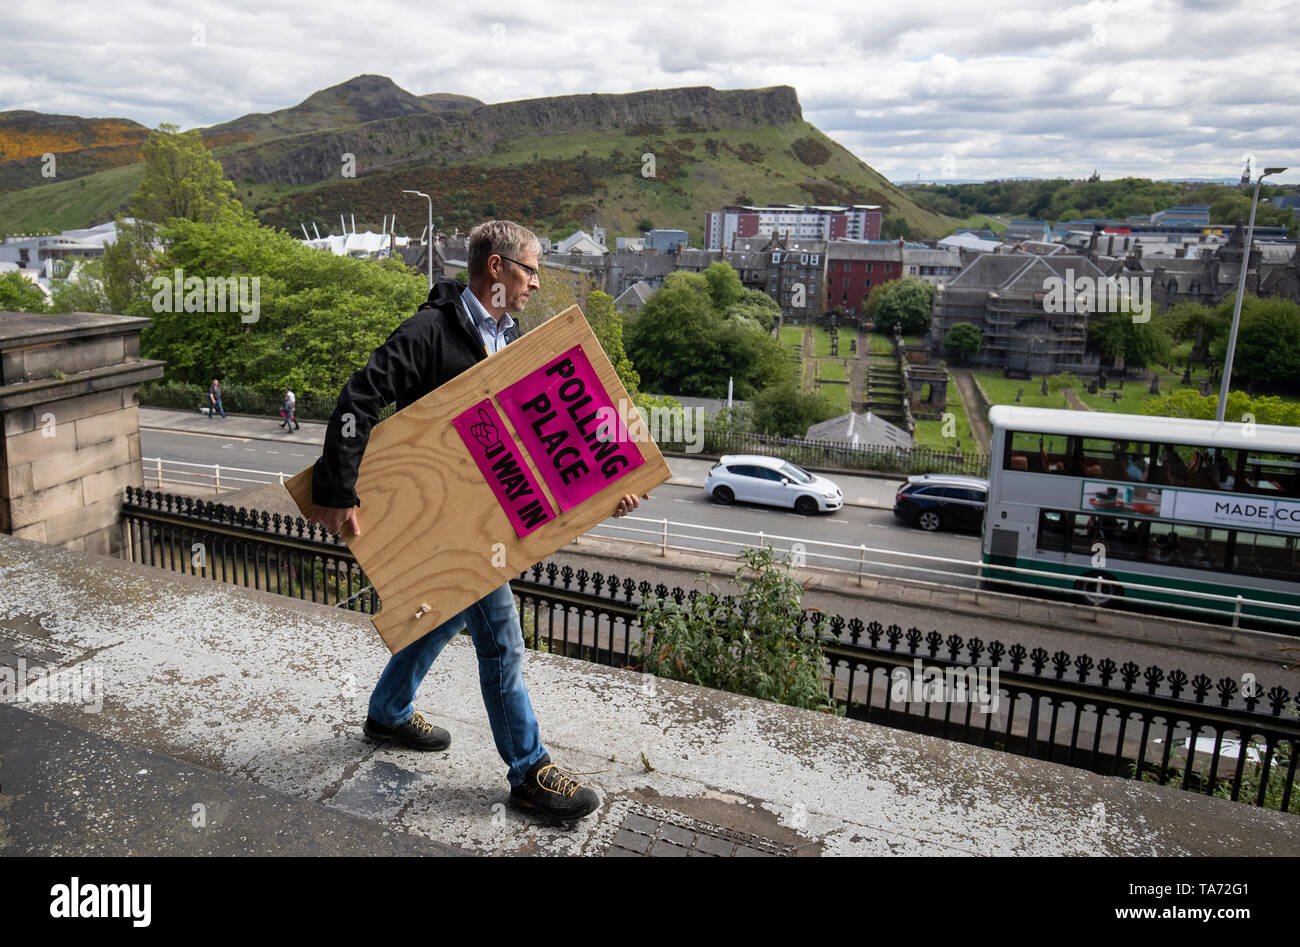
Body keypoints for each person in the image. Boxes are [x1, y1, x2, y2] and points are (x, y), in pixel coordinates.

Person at [307, 220, 646, 823]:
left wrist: (606, 491)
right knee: (503, 641)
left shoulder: (510, 339)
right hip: (446, 522)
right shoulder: (429, 331)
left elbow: (538, 439)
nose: (536, 284)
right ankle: (529, 769)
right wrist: (338, 488)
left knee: (444, 616)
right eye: (531, 270)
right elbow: (359, 397)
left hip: (487, 520)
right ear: (497, 268)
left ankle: (387, 712)